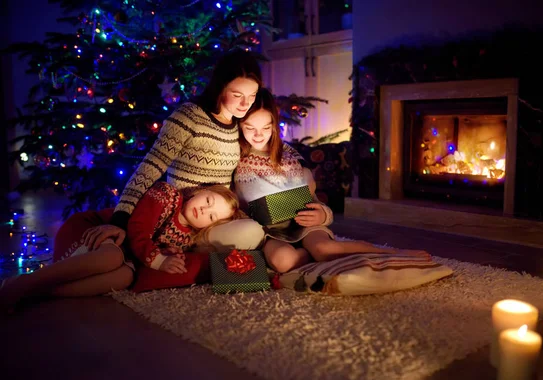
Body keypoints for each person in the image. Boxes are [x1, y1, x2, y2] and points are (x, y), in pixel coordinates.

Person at [84, 49, 265, 254]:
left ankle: (300, 237)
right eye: (237, 95)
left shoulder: (240, 124)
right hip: (184, 221)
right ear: (220, 87)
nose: (245, 104)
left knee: (270, 224)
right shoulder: (189, 117)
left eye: (252, 96)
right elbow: (150, 167)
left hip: (220, 218)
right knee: (252, 233)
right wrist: (120, 219)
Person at [0, 182, 244, 312]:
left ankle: (35, 293)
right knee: (111, 258)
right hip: (96, 229)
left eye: (211, 217)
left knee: (125, 277)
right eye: (209, 201)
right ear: (201, 191)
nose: (204, 210)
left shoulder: (188, 238)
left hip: (123, 252)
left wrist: (167, 253)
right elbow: (138, 230)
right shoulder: (167, 195)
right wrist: (158, 259)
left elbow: (146, 256)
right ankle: (20, 284)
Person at [234, 88, 399, 273]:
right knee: (283, 262)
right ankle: (313, 257)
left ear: (273, 125)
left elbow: (310, 197)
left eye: (265, 128)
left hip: (304, 225)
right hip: (271, 234)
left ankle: (388, 253)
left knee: (324, 249)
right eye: (250, 128)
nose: (259, 135)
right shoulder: (236, 156)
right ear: (240, 125)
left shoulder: (288, 155)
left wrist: (323, 214)